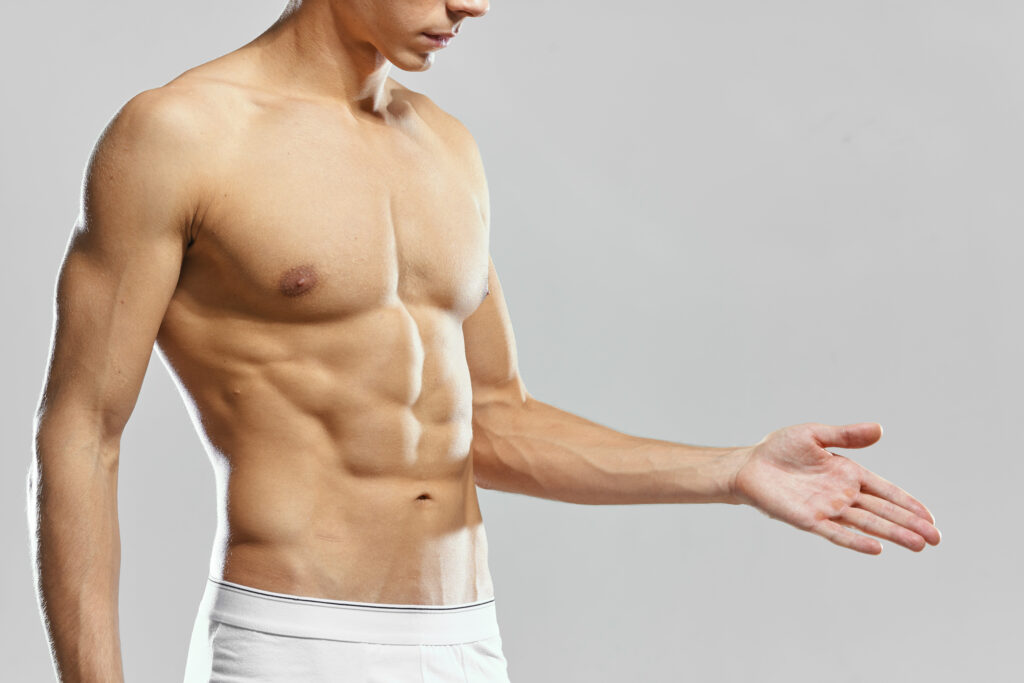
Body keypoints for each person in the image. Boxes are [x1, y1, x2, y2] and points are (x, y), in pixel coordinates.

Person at [26, 1, 942, 681]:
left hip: (463, 640)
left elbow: (495, 424)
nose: (473, 4)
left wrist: (734, 468)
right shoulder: (179, 135)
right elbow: (82, 432)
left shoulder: (446, 147)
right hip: (297, 640)